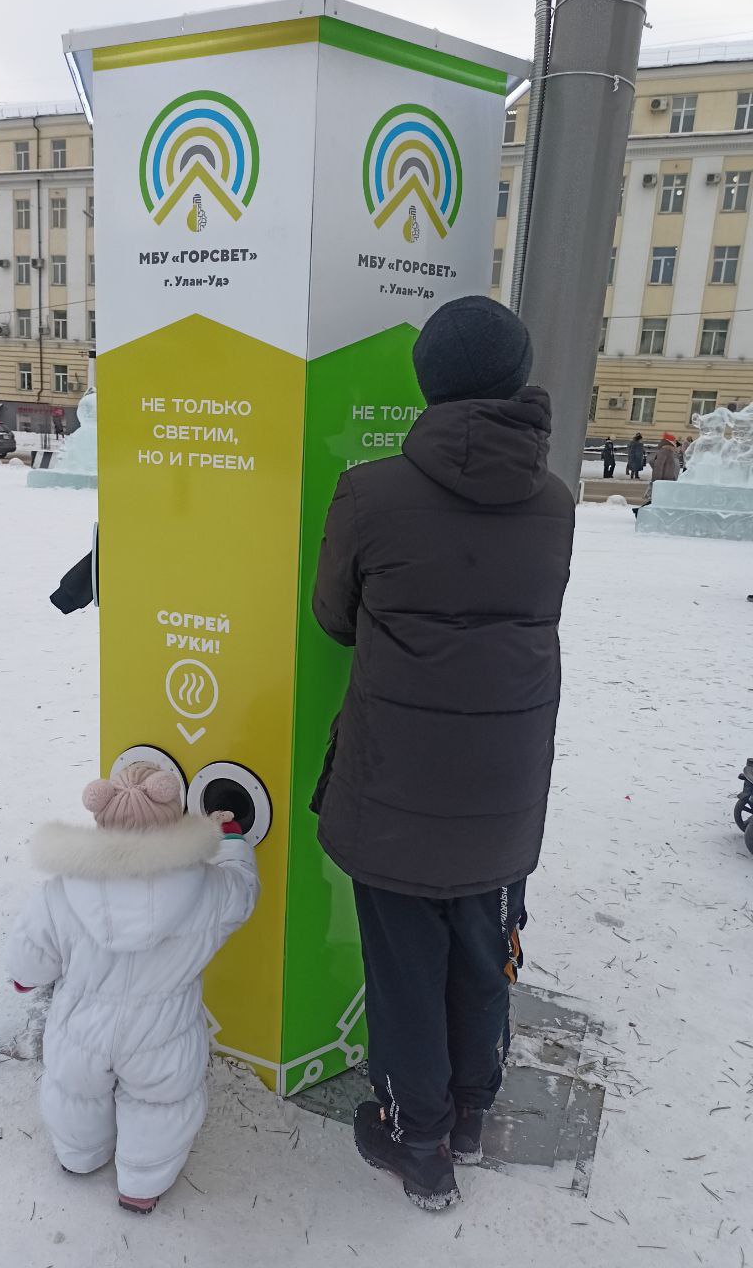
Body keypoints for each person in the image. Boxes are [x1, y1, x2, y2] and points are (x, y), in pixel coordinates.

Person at [312, 296, 574, 1212]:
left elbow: (334, 619)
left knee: (405, 967)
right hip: (504, 785)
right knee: (482, 947)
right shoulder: (556, 505)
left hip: (394, 784)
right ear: (517, 377)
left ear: (427, 381)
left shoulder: (370, 492)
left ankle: (417, 1141)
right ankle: (469, 1109)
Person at [7, 762, 258, 1214]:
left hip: (81, 1027)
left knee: (75, 1093)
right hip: (162, 1036)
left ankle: (79, 1157)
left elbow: (30, 952)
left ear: (101, 821)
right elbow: (242, 893)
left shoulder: (63, 889)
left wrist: (24, 979)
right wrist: (232, 841)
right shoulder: (208, 888)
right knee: (158, 1107)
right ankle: (141, 1186)